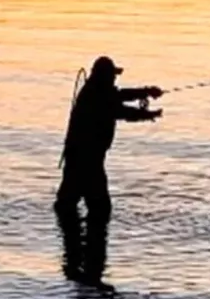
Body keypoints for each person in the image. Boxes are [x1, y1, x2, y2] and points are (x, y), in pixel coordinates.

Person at [56, 56, 163, 229]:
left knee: (67, 204)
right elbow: (121, 111)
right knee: (99, 208)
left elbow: (120, 96)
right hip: (87, 161)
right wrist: (147, 114)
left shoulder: (96, 91)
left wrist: (146, 92)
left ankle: (69, 237)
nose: (114, 79)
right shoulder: (96, 96)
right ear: (104, 76)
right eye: (112, 75)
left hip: (79, 158)